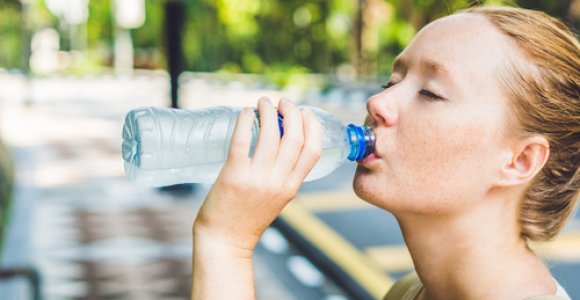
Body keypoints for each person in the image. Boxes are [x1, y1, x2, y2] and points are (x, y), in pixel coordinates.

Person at [190, 5, 579, 300]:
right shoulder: (409, 291)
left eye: (430, 93)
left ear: (520, 161)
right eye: (392, 81)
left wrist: (225, 244)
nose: (378, 102)